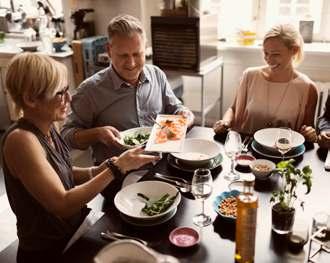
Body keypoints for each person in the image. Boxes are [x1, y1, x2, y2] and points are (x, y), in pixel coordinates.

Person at [1, 53, 158, 263]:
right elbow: (62, 204)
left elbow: (63, 174)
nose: (69, 99)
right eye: (60, 93)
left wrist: (101, 168)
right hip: (50, 251)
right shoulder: (21, 140)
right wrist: (116, 169)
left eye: (67, 90)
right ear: (31, 99)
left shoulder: (46, 126)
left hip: (74, 231)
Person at [61, 14, 194, 165]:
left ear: (145, 48)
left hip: (159, 164)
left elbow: (176, 110)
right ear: (109, 51)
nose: (131, 63)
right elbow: (65, 136)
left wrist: (185, 115)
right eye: (123, 55)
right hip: (115, 174)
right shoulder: (90, 90)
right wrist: (96, 134)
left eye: (137, 54)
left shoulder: (157, 75)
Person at [213, 24, 318, 142]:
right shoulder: (250, 76)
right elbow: (233, 109)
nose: (269, 59)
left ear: (294, 50)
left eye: (276, 54)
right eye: (266, 53)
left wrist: (310, 134)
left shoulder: (308, 88)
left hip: (283, 153)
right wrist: (225, 122)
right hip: (246, 147)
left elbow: (308, 130)